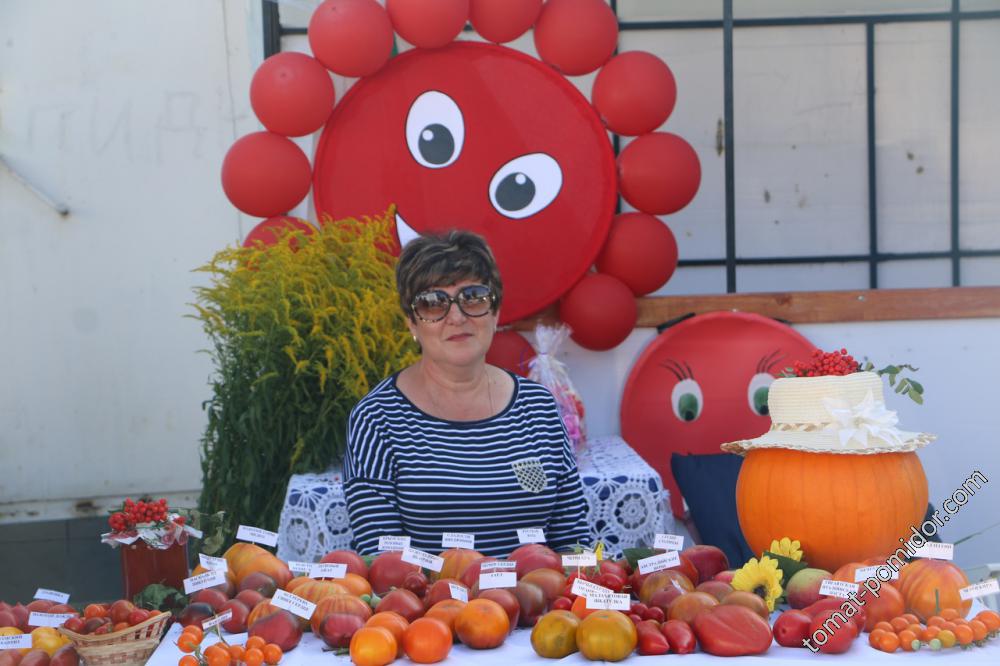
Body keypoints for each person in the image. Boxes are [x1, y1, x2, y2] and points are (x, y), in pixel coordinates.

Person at [343, 230, 590, 557]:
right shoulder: (378, 418)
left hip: (541, 604)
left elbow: (574, 538)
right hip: (427, 606)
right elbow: (381, 556)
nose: (456, 317)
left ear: (495, 312)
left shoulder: (539, 408)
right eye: (433, 303)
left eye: (473, 297)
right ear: (412, 324)